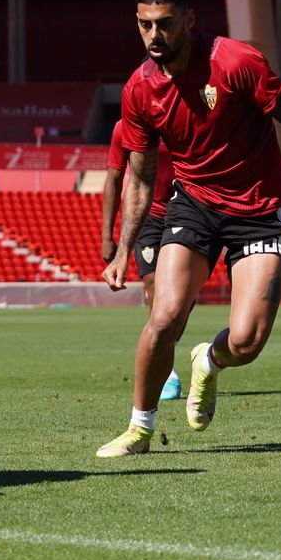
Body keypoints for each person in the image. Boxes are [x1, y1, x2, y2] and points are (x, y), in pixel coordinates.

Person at [96, 0, 281, 457]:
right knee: (164, 317)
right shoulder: (139, 90)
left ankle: (209, 360)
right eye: (145, 25)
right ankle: (139, 428)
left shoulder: (236, 62)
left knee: (248, 340)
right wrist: (119, 247)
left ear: (189, 20)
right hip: (193, 204)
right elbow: (139, 178)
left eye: (165, 24)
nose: (155, 35)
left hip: (258, 211)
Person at [101, 116, 184, 400]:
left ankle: (165, 349)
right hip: (147, 217)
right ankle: (167, 372)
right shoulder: (123, 127)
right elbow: (113, 178)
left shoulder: (180, 116)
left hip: (186, 213)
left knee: (183, 299)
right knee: (153, 284)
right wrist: (106, 236)